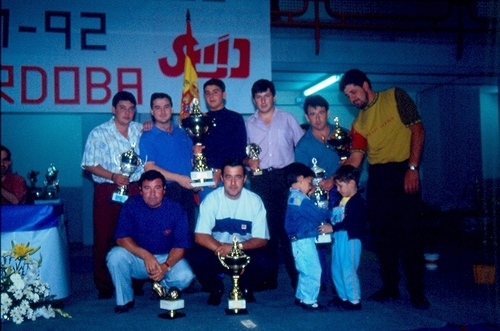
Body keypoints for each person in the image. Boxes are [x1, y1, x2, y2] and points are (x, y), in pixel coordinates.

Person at [339, 69, 429, 309]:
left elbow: (418, 130)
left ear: (366, 85)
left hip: (403, 171)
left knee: (411, 234)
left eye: (354, 92)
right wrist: (333, 178)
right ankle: (390, 286)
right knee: (382, 236)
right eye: (348, 96)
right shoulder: (358, 122)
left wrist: (412, 168)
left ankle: (416, 291)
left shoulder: (395, 96)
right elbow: (357, 157)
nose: (353, 98)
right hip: (378, 177)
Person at [81, 91, 145, 300]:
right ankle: (105, 285)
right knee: (105, 236)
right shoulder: (98, 132)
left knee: (136, 236)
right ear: (113, 109)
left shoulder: (140, 130)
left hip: (136, 188)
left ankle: (136, 281)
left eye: (131, 108)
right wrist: (113, 176)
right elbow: (89, 164)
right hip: (108, 190)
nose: (127, 112)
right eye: (122, 108)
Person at [106, 170, 194, 313]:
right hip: (138, 258)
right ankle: (124, 300)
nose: (152, 193)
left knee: (186, 276)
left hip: (166, 258)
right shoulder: (130, 205)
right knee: (115, 256)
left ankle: (161, 288)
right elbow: (121, 239)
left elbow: (181, 246)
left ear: (164, 190)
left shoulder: (177, 210)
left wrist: (166, 266)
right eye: (147, 188)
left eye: (157, 188)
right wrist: (146, 255)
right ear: (140, 190)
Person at [244, 78, 304, 290]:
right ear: (254, 100)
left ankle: (298, 278)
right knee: (266, 230)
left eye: (266, 96)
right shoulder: (248, 124)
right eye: (258, 97)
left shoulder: (288, 119)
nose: (263, 100)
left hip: (286, 177)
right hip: (260, 179)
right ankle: (269, 278)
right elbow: (243, 156)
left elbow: (303, 147)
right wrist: (247, 162)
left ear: (274, 96)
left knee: (288, 229)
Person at [190, 158, 270, 306]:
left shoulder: (255, 201)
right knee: (196, 256)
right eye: (228, 177)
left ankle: (245, 287)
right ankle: (215, 288)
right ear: (221, 178)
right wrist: (221, 249)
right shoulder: (211, 200)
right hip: (217, 250)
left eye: (238, 177)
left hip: (243, 250)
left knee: (266, 258)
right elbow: (200, 236)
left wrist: (234, 248)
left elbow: (262, 239)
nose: (233, 183)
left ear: (245, 179)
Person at [294, 95, 342, 291]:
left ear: (328, 113)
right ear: (307, 117)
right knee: (319, 239)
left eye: (321, 113)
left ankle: (341, 281)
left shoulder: (342, 135)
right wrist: (317, 190)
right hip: (317, 197)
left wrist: (335, 180)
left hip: (341, 194)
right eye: (312, 114)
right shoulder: (303, 145)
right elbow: (302, 175)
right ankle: (321, 281)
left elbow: (353, 165)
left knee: (341, 238)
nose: (318, 118)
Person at [139, 92, 197, 235]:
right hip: (165, 192)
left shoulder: (182, 132)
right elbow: (149, 167)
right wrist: (179, 178)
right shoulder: (147, 137)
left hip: (187, 190)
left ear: (172, 109)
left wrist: (197, 181)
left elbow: (191, 160)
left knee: (187, 233)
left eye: (166, 107)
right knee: (167, 235)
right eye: (158, 108)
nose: (163, 112)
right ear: (152, 112)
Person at [284, 162, 330, 311]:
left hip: (298, 240)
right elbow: (317, 214)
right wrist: (326, 207)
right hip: (303, 240)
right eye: (309, 182)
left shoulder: (293, 196)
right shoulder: (301, 200)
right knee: (313, 270)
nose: (310, 186)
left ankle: (302, 296)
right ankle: (309, 300)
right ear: (300, 178)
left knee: (304, 270)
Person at [321, 165, 367, 311]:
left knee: (348, 269)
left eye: (340, 186)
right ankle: (343, 297)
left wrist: (333, 227)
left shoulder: (357, 202)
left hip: (350, 239)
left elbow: (351, 222)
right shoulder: (340, 201)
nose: (338, 190)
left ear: (352, 183)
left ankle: (354, 300)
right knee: (336, 268)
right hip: (338, 239)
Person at [195, 78, 247, 201]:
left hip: (231, 178)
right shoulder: (200, 120)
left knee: (233, 218)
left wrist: (220, 172)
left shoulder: (235, 118)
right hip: (207, 179)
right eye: (207, 93)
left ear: (224, 95)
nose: (211, 96)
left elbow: (239, 152)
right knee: (208, 218)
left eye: (215, 92)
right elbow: (195, 150)